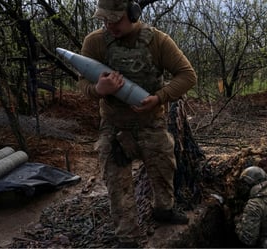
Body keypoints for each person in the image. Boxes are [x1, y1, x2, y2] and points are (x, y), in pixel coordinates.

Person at [78, 0, 197, 247]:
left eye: (116, 19)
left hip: (151, 122)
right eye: (105, 20)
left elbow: (187, 75)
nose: (109, 25)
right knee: (118, 187)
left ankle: (164, 210)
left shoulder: (158, 41)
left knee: (164, 170)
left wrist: (159, 98)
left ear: (132, 13)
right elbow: (83, 84)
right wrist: (98, 89)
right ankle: (128, 238)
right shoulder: (95, 42)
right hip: (114, 126)